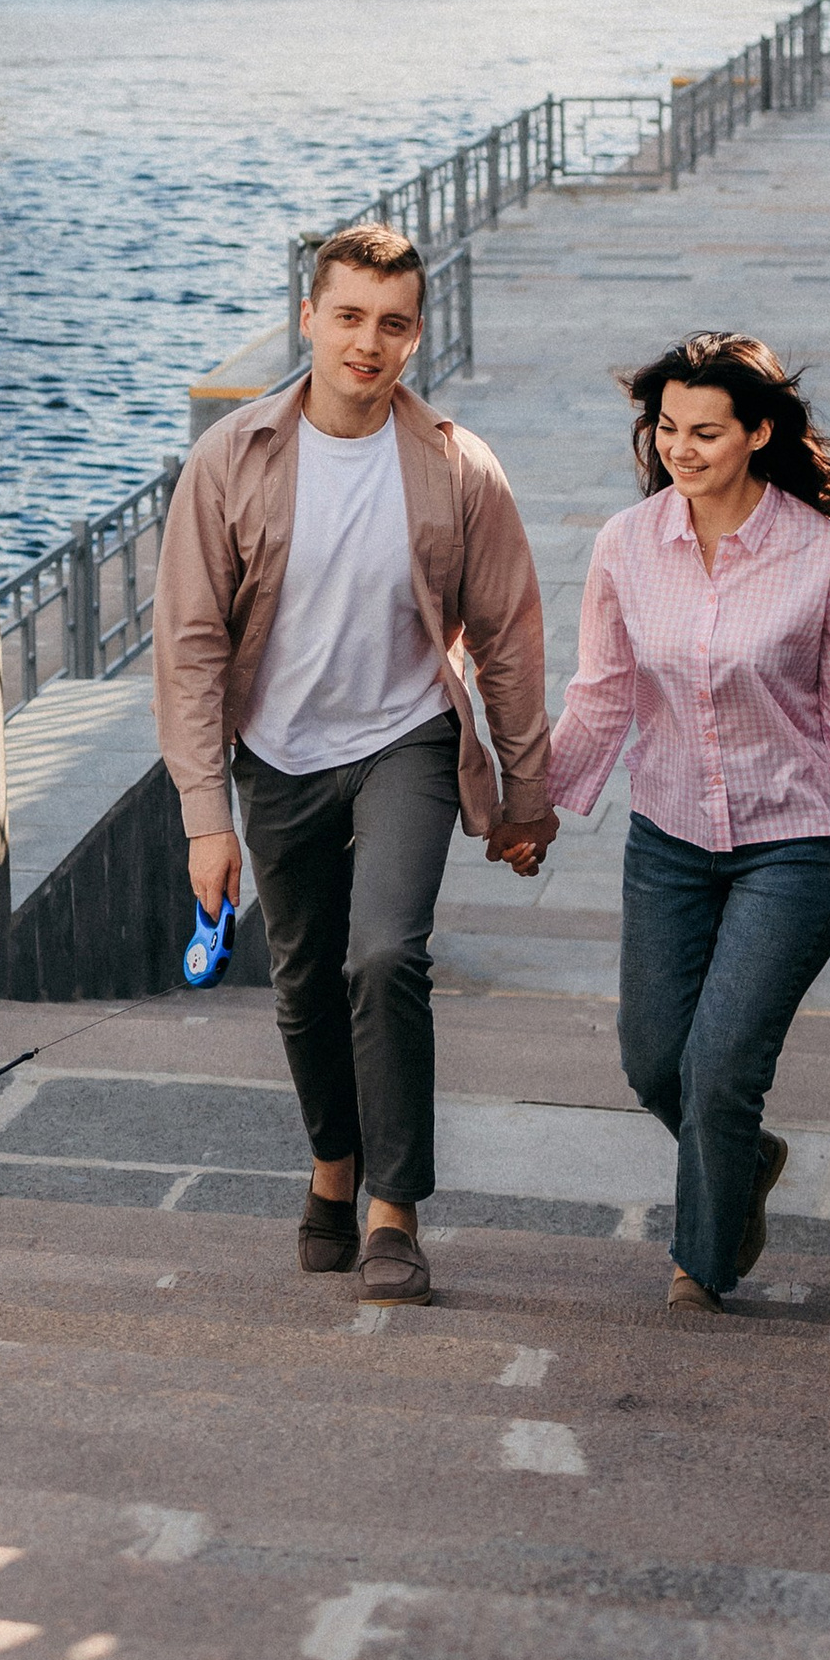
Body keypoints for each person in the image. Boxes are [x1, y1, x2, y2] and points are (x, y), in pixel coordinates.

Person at [152, 222, 555, 1305]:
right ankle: (332, 1165)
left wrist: (527, 794)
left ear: (416, 335)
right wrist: (205, 816)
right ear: (308, 320)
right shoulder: (230, 462)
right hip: (277, 757)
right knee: (300, 981)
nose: (366, 343)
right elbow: (188, 643)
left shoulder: (456, 466)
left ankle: (392, 1212)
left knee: (382, 956)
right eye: (346, 318)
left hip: (406, 740)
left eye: (391, 323)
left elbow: (509, 634)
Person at [548, 332, 830, 1315]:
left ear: (757, 432)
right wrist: (533, 810)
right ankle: (747, 1159)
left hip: (796, 841)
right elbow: (601, 696)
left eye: (706, 431)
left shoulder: (826, 559)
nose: (681, 448)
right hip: (666, 836)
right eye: (666, 428)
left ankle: (700, 1266)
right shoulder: (624, 546)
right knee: (653, 1058)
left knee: (717, 1064)